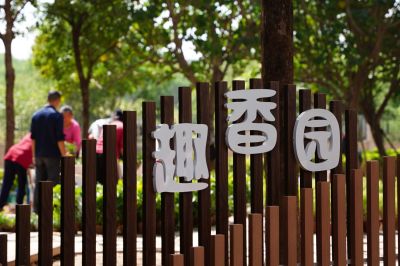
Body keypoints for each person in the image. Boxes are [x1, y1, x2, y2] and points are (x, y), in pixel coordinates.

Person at [31, 90, 66, 213]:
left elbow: (33, 138)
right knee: (53, 182)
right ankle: (52, 211)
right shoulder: (57, 116)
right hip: (52, 155)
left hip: (39, 155)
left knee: (39, 183)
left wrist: (34, 156)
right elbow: (59, 139)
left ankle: (36, 211)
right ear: (57, 100)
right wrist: (65, 155)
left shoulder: (35, 115)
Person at [0, 134, 33, 211]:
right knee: (21, 185)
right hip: (21, 158)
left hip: (10, 154)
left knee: (6, 183)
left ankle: (0, 205)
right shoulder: (39, 137)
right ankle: (19, 209)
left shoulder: (30, 134)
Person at [95, 110, 123, 184]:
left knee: (100, 184)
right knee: (111, 185)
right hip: (109, 155)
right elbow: (123, 150)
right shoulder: (122, 126)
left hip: (96, 152)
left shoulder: (108, 124)